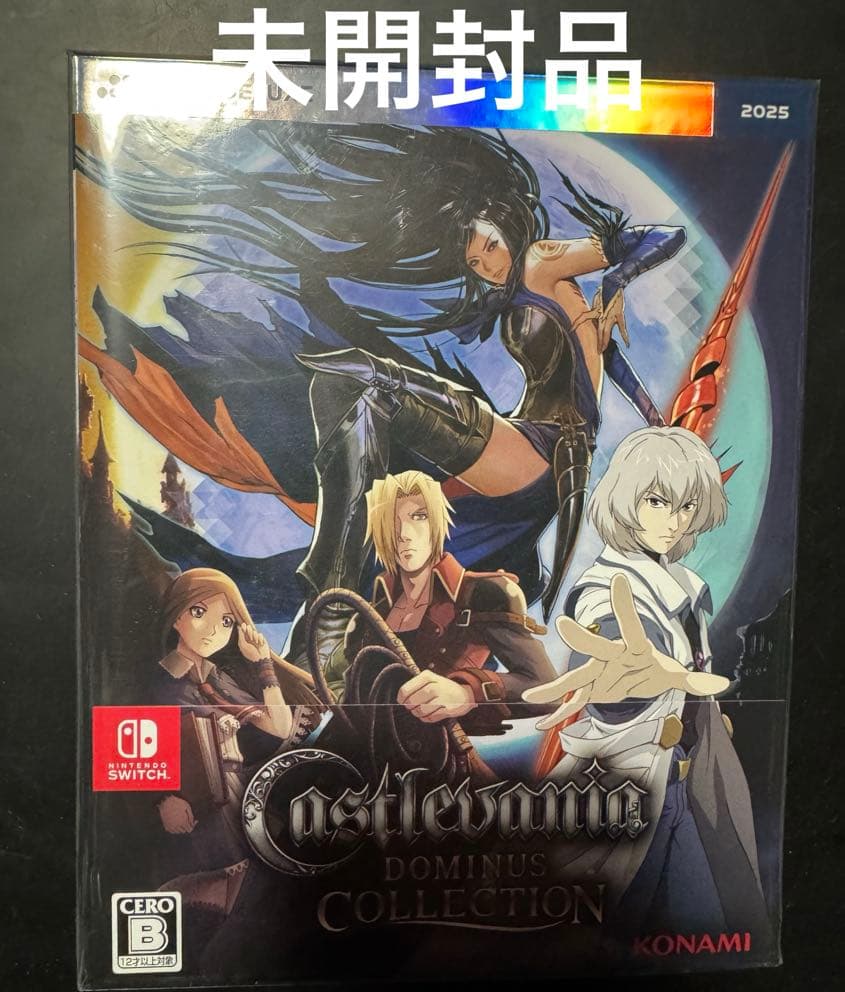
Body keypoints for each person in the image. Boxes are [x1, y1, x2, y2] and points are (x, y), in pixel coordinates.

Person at [75, 124, 683, 651]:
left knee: (363, 383)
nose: (488, 264)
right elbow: (597, 361)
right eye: (475, 262)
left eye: (488, 245)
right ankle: (338, 595)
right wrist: (656, 417)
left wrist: (616, 282)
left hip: (542, 451)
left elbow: (659, 237)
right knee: (365, 418)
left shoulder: (540, 261)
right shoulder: (538, 290)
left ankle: (331, 597)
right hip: (534, 455)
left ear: (503, 219)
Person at [524, 428, 769, 938]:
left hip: (685, 788)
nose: (672, 521)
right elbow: (609, 646)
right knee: (603, 943)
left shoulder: (680, 584)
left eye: (685, 506)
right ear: (626, 500)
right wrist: (631, 681)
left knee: (709, 933)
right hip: (626, 791)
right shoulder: (606, 588)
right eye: (657, 501)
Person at [322, 470, 558, 778]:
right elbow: (348, 705)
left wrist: (466, 693)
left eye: (418, 517)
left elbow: (547, 689)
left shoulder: (482, 593)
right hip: (362, 772)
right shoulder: (367, 618)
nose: (404, 533)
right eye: (392, 521)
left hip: (442, 771)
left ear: (437, 523)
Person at [150, 568, 320, 884]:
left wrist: (263, 664)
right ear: (176, 616)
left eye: (226, 621)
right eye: (199, 613)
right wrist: (162, 799)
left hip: (242, 802)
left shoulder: (218, 678)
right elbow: (130, 755)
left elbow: (280, 727)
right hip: (200, 819)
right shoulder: (161, 683)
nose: (214, 630)